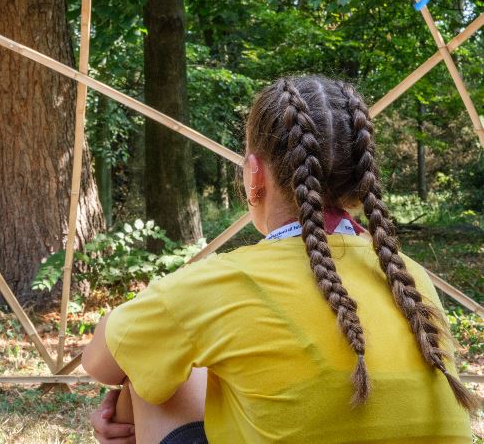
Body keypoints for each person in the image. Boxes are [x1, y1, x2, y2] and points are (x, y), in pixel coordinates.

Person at [82, 76, 475, 444]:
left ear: (254, 175)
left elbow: (100, 363)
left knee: (151, 368)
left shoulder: (224, 282)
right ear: (362, 178)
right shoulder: (411, 279)